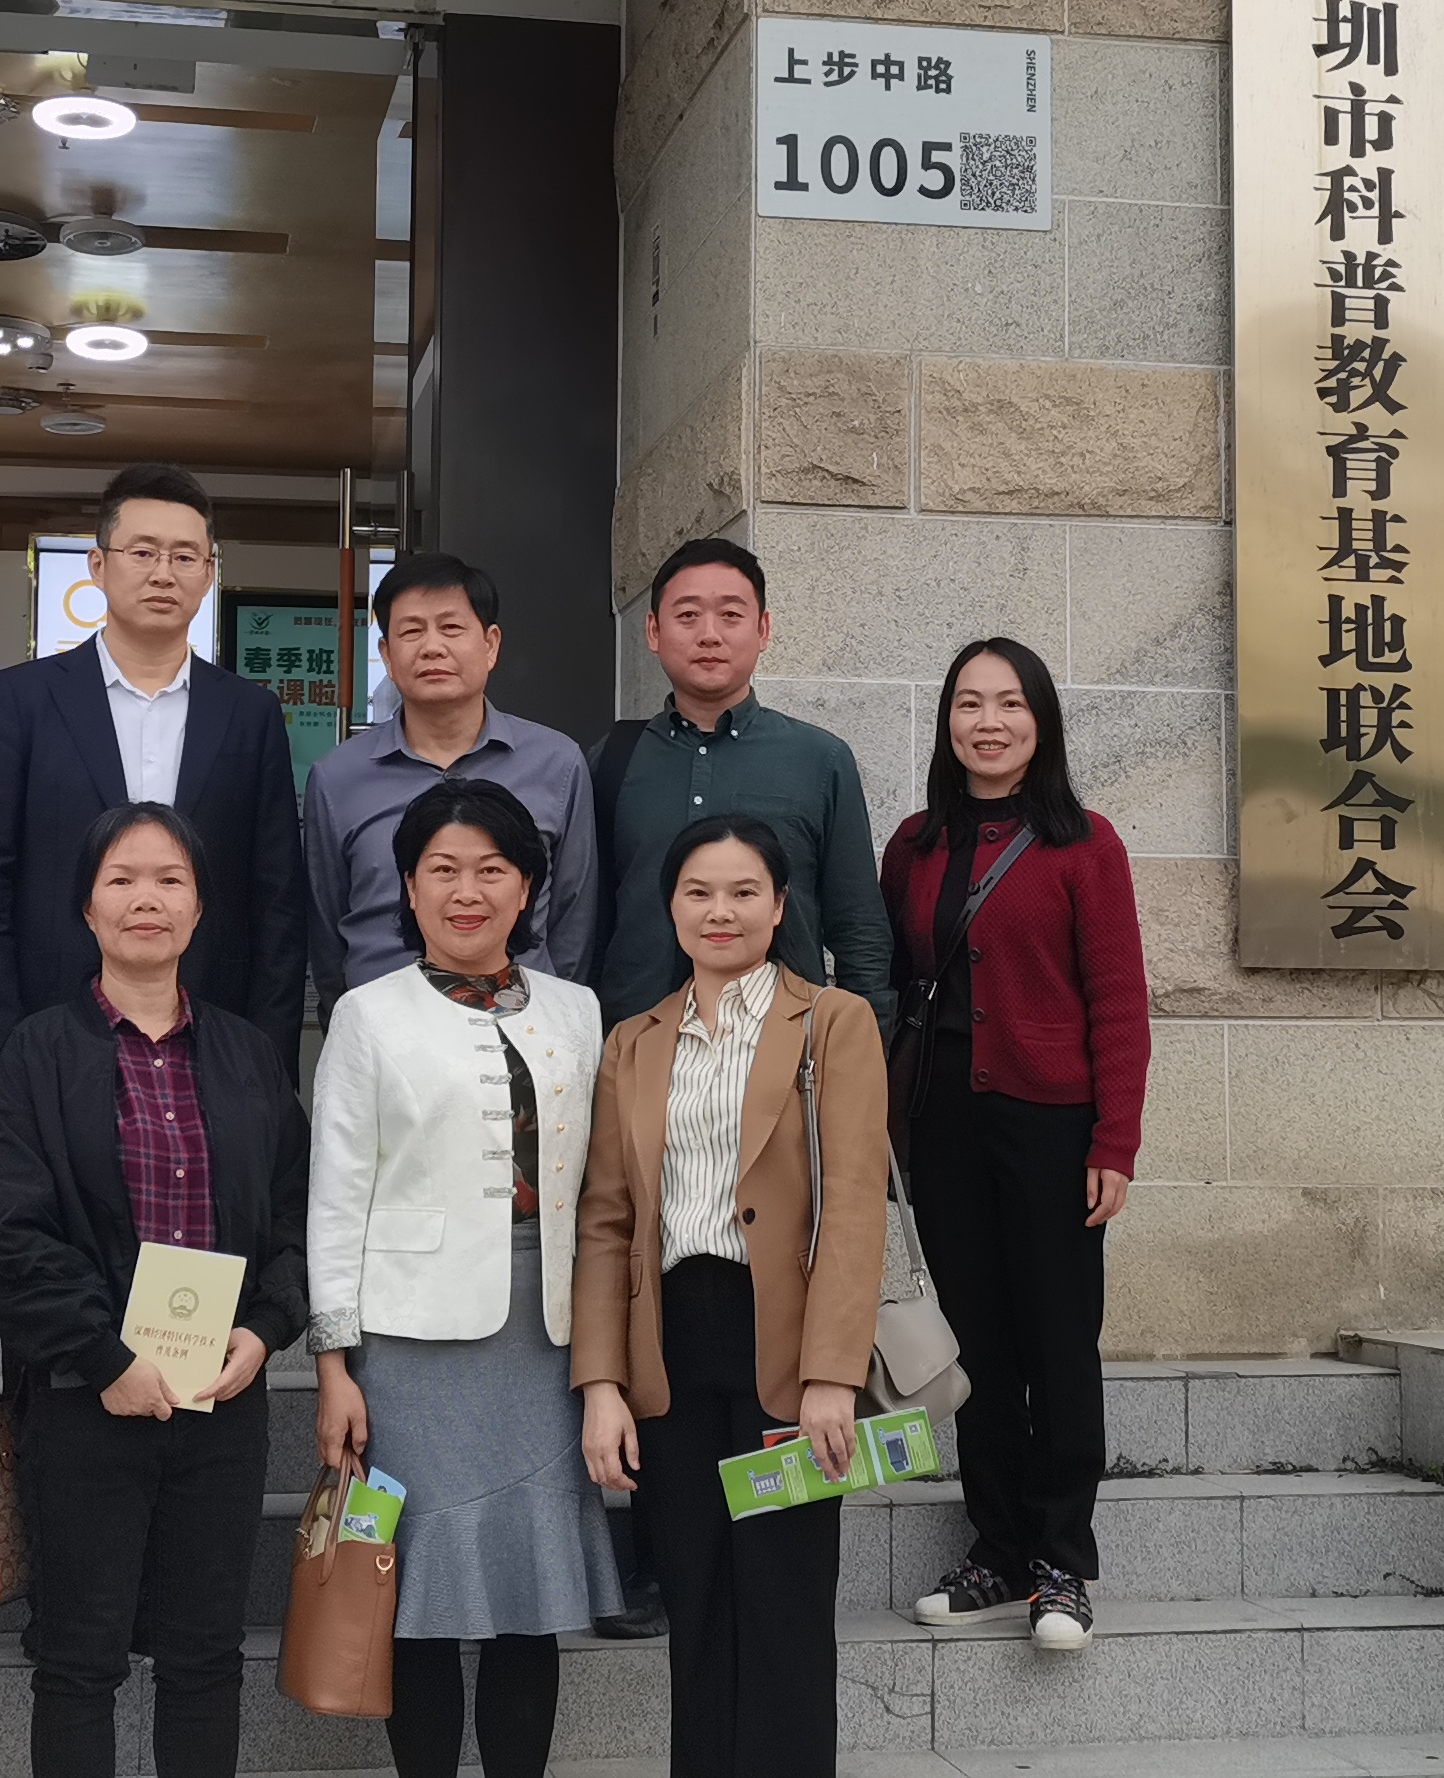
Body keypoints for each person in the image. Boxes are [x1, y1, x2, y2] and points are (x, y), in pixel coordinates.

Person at [0, 803, 310, 1778]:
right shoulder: (37, 1053)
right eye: (121, 879)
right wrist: (105, 1355)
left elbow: (296, 1215)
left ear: (199, 907)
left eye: (169, 879)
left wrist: (266, 1327)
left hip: (222, 1401)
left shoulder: (248, 1055)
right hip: (86, 1401)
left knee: (205, 1657)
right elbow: (6, 1235)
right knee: (79, 1662)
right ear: (86, 908)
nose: (145, 898)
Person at [306, 777, 619, 1778]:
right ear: (408, 886)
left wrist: (607, 1357)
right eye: (442, 869)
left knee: (533, 1594)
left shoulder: (579, 1010)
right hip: (411, 1342)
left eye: (492, 868)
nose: (466, 890)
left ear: (528, 887)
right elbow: (336, 1194)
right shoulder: (367, 1014)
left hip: (549, 1334)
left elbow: (606, 1188)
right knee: (418, 1596)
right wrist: (333, 1362)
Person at [570, 814, 887, 1778]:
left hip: (783, 1341)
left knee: (786, 1604)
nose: (722, 911)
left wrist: (831, 1374)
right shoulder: (633, 1042)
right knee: (697, 1602)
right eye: (699, 892)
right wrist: (601, 1384)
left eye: (745, 892)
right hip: (672, 1344)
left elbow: (854, 1204)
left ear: (780, 906)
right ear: (670, 907)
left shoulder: (831, 1021)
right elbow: (606, 1220)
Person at [885, 637, 1148, 1652]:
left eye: (1009, 703)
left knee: (1057, 1338)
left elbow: (1118, 1001)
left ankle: (1062, 1560)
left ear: (1041, 722)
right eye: (969, 703)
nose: (987, 722)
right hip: (943, 1122)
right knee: (977, 1343)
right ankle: (994, 1546)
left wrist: (1114, 1140)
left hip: (1051, 1124)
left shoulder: (1086, 844)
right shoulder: (915, 845)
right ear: (946, 720)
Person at [0, 464, 308, 1075]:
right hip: (46, 1033)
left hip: (212, 1036)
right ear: (98, 565)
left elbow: (276, 897)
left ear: (209, 573)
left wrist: (267, 1060)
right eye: (142, 552)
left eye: (185, 557)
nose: (163, 573)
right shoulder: (21, 700)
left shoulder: (249, 713)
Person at [587, 538, 893, 1037]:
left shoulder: (820, 759)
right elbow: (589, 923)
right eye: (688, 616)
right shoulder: (613, 759)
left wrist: (867, 1047)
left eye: (730, 615)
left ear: (763, 629)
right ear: (654, 631)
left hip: (782, 1049)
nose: (709, 635)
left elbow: (858, 927)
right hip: (639, 1044)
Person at [302, 552, 598, 1020]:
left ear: (491, 645)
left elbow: (573, 918)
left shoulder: (557, 763)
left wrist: (554, 1020)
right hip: (386, 1030)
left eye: (451, 627)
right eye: (412, 631)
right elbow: (325, 931)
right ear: (386, 655)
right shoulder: (337, 778)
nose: (432, 647)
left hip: (523, 1027)